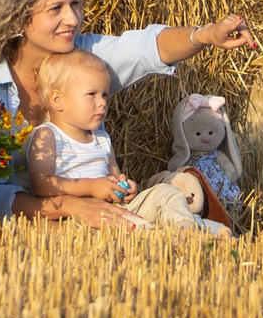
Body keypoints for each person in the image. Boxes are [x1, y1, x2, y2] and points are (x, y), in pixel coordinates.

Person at [0, 0, 257, 228]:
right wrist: (69, 206)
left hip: (92, 213)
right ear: (17, 20)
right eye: (55, 9)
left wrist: (206, 35)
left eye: (75, 4)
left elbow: (146, 49)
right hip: (21, 226)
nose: (73, 19)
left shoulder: (85, 57)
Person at [24, 51, 226, 237]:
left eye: (104, 95)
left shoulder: (101, 138)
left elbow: (114, 176)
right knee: (131, 226)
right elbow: (42, 185)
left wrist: (126, 189)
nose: (102, 102)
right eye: (91, 94)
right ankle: (182, 234)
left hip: (116, 209)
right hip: (82, 219)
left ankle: (186, 227)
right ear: (58, 100)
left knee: (167, 192)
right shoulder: (48, 135)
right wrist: (92, 187)